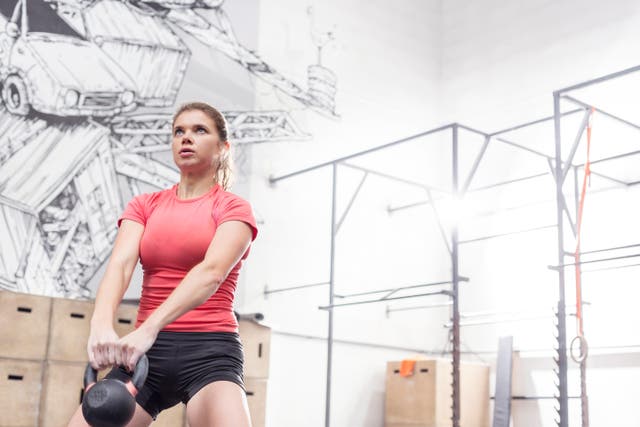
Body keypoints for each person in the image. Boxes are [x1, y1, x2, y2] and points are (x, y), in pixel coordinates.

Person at [68, 102, 258, 427]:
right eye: (178, 131)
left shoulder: (233, 208)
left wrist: (149, 328)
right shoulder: (145, 205)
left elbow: (211, 273)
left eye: (199, 130)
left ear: (223, 147)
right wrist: (100, 325)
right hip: (146, 356)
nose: (186, 138)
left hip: (210, 350)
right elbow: (121, 265)